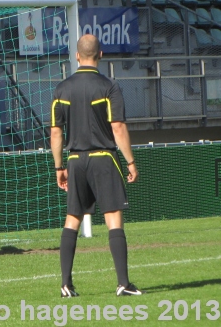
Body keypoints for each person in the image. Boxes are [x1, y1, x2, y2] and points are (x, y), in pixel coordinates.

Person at [50, 34, 143, 298]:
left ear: (77, 56)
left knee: (72, 220)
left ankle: (66, 285)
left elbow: (56, 133)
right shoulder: (109, 86)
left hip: (75, 160)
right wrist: (131, 161)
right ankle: (123, 283)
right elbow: (118, 127)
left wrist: (59, 167)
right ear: (100, 55)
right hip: (103, 158)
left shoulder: (61, 89)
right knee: (113, 219)